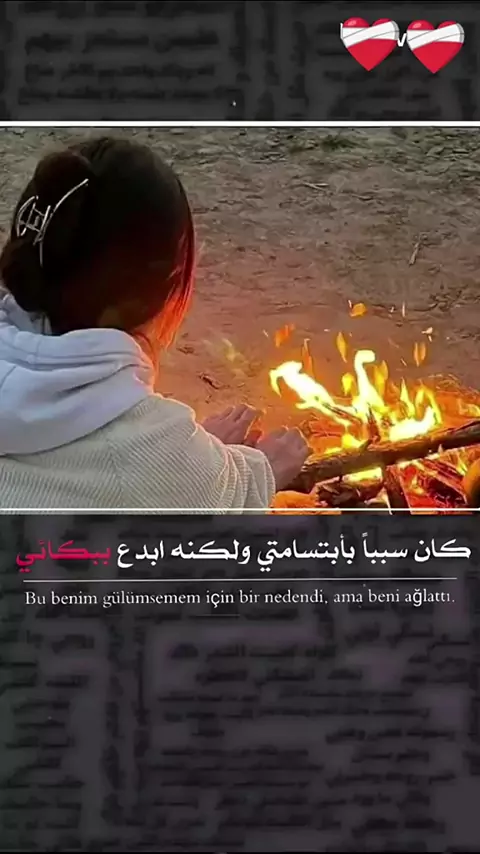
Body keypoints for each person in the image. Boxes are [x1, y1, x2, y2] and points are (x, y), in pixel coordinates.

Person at [0, 136, 309, 510]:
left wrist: (182, 448)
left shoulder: (153, 451)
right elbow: (212, 492)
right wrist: (265, 467)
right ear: (155, 291)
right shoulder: (148, 455)